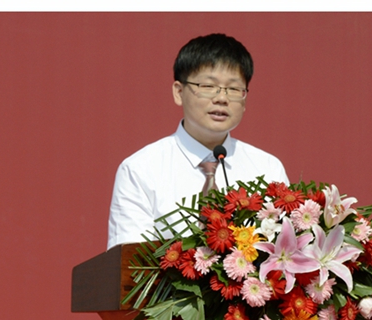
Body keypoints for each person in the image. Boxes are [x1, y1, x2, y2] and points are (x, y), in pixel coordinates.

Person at [107, 33, 289, 250]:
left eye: (233, 89)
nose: (221, 98)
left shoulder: (267, 168)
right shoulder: (141, 169)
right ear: (179, 92)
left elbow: (286, 249)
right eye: (207, 86)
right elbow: (130, 260)